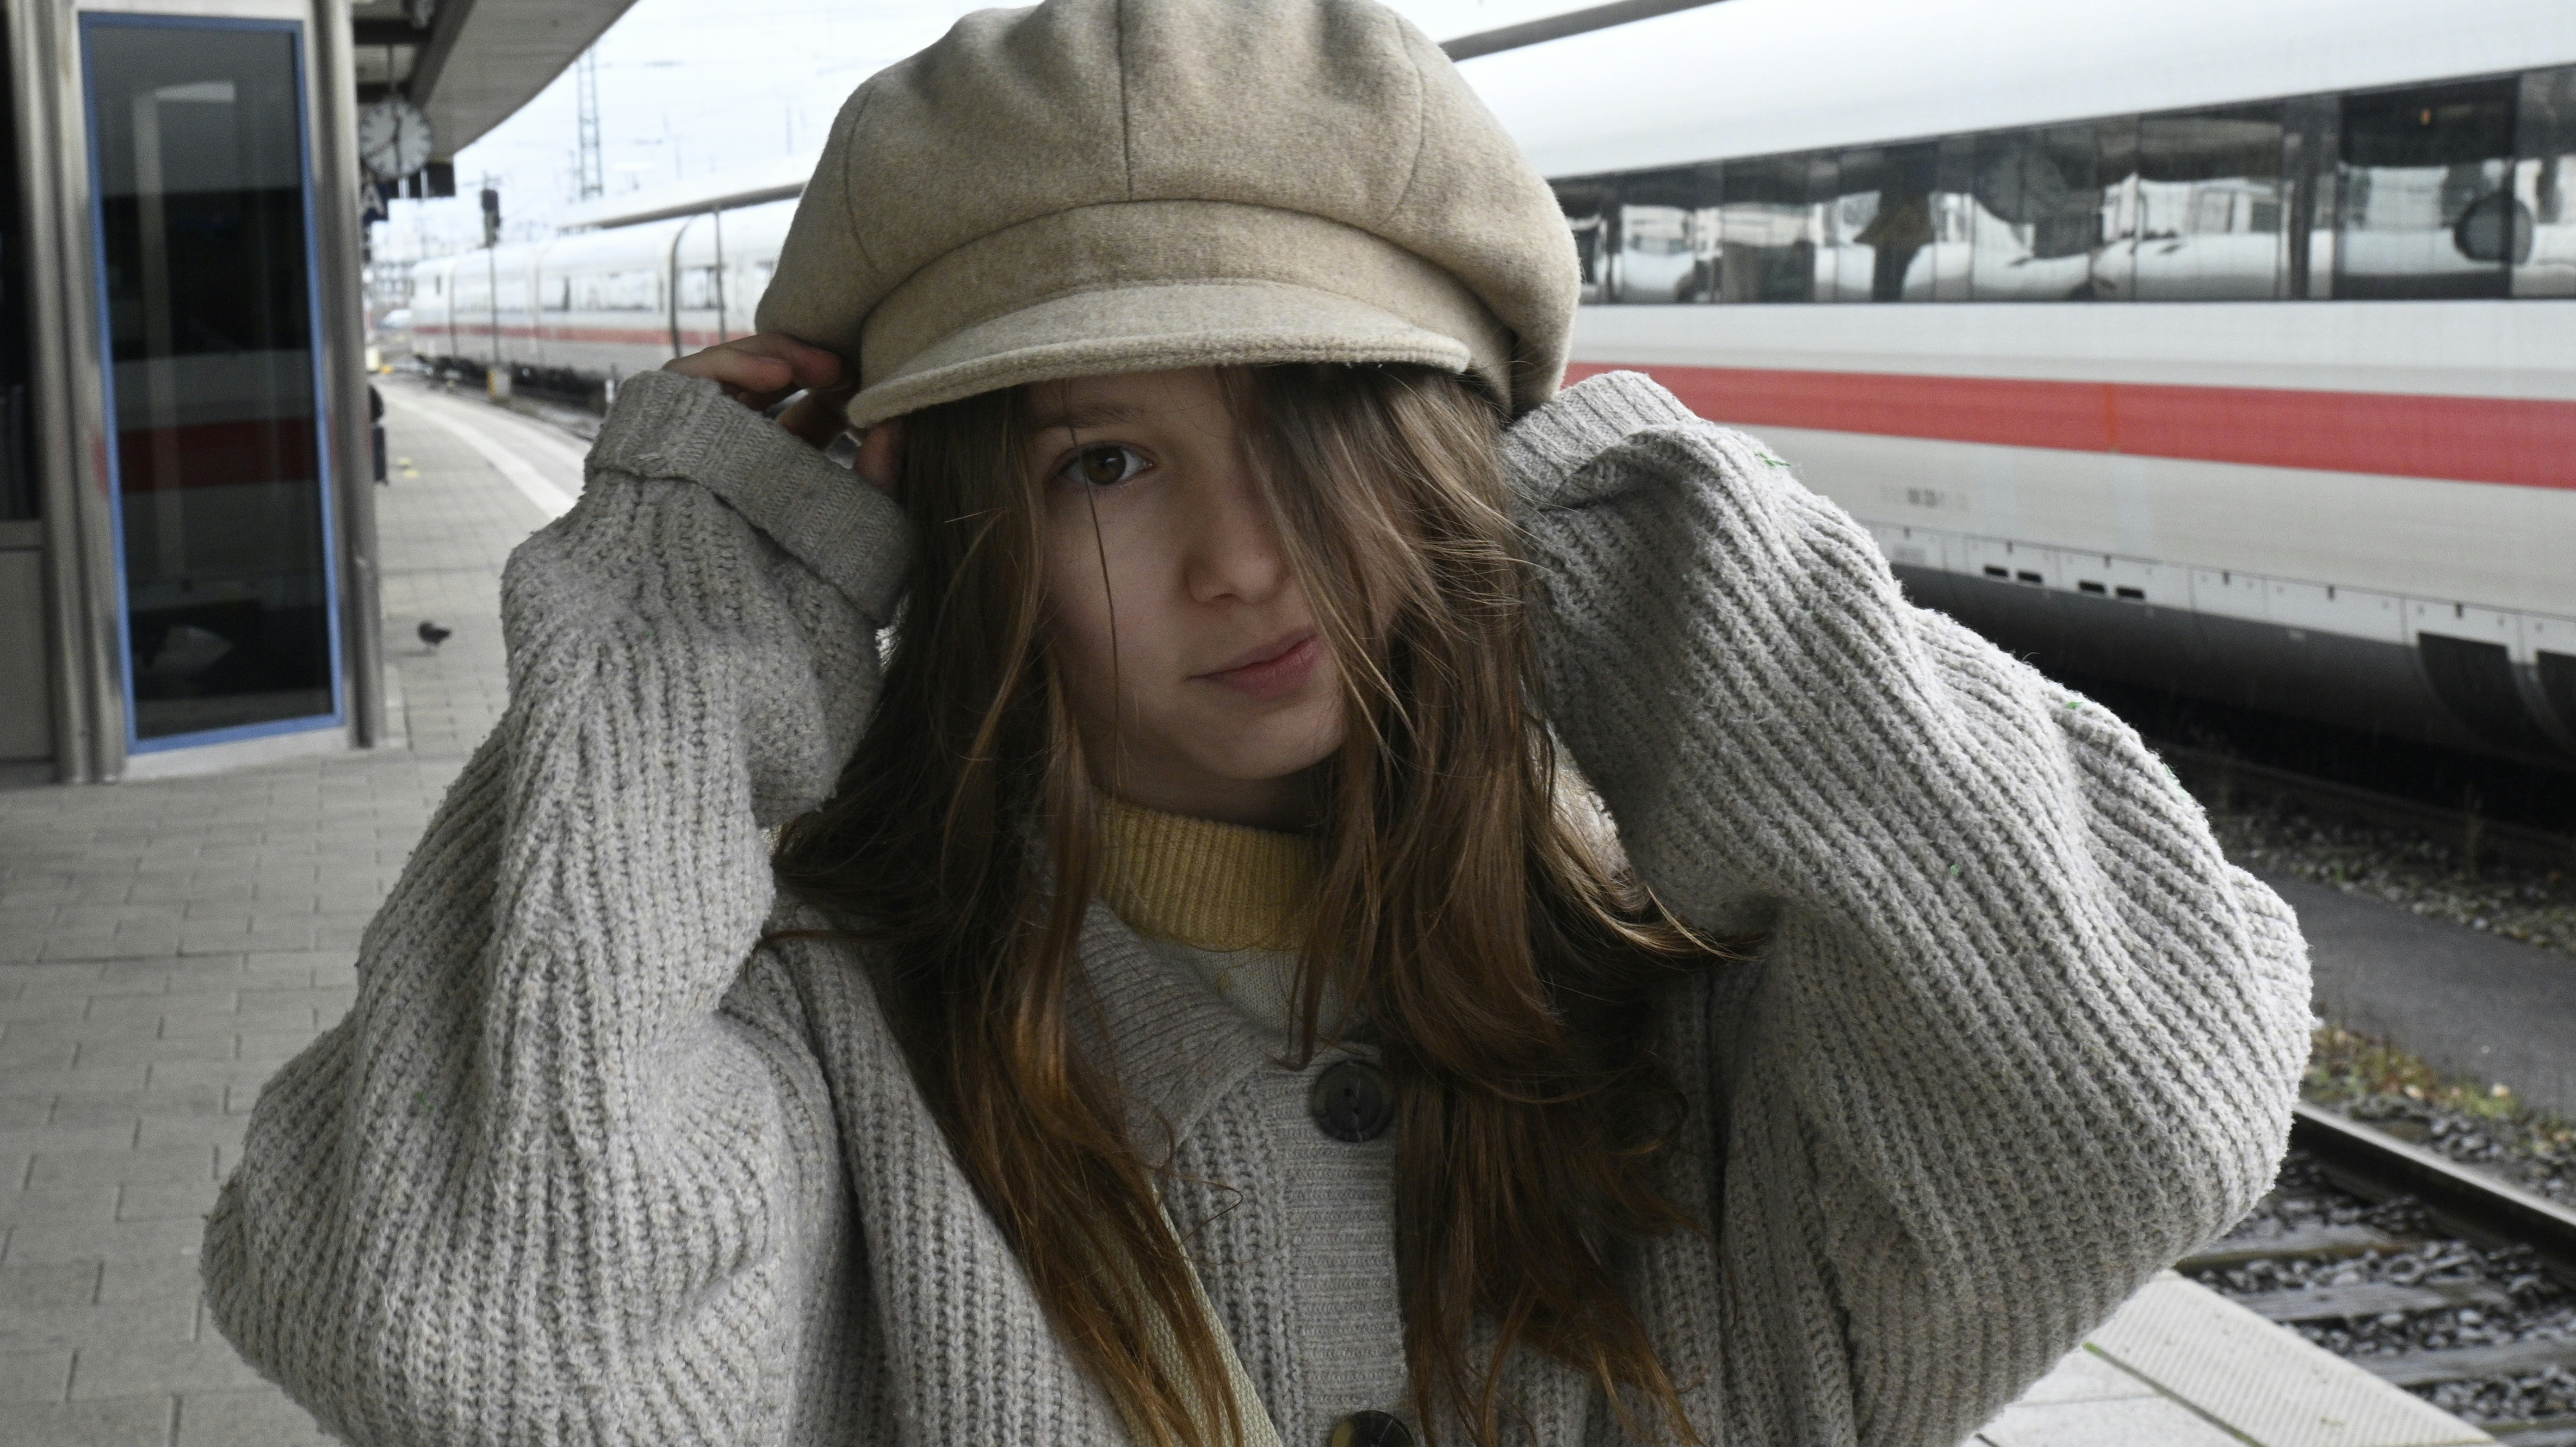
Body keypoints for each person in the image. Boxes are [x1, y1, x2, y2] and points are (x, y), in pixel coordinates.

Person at [201, 2, 2310, 1445]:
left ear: (1470, 464)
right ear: (949, 525)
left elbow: (2142, 1094)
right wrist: (684, 604)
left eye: (1321, 433)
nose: (1243, 560)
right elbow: (465, 1335)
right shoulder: (815, 1050)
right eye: (1103, 463)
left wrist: (1644, 550)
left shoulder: (1687, 1032)